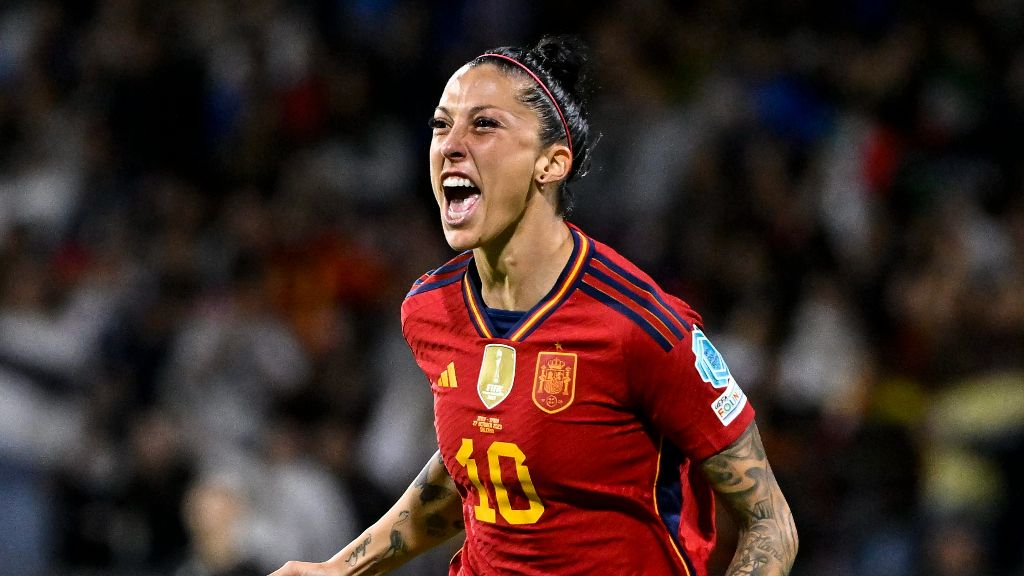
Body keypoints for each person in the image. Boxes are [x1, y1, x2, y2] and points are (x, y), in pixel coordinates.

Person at [271, 35, 797, 576]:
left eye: (484, 125)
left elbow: (770, 521)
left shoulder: (641, 327)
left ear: (551, 164)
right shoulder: (430, 308)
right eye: (440, 125)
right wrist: (341, 569)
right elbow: (480, 466)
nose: (451, 144)